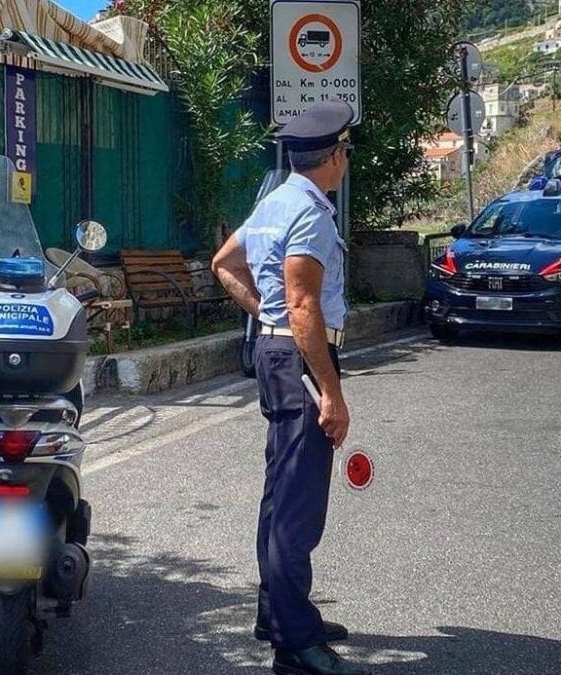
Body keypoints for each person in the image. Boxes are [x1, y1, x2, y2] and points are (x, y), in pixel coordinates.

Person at [211, 101, 369, 675]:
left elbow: (223, 264)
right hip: (301, 355)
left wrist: (265, 314)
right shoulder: (311, 212)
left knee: (281, 492)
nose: (346, 158)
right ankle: (295, 644)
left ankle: (277, 612)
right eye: (345, 150)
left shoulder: (275, 201)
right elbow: (303, 304)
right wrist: (332, 393)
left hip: (279, 349)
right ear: (334, 157)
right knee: (297, 505)